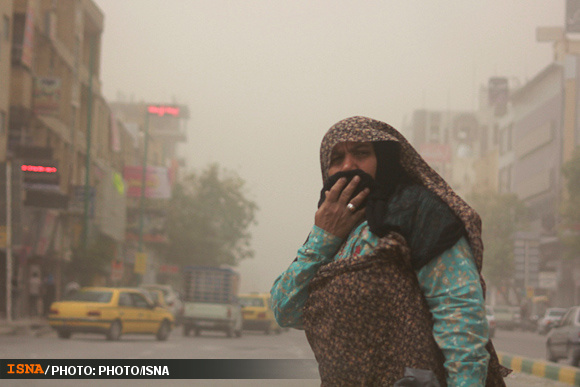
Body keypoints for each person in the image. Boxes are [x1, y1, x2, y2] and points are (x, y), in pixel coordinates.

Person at [271, 117, 509, 386]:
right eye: (336, 159)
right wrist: (323, 237)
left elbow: (461, 322)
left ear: (383, 158)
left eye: (361, 153)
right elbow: (285, 309)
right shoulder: (331, 233)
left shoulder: (418, 212)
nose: (348, 165)